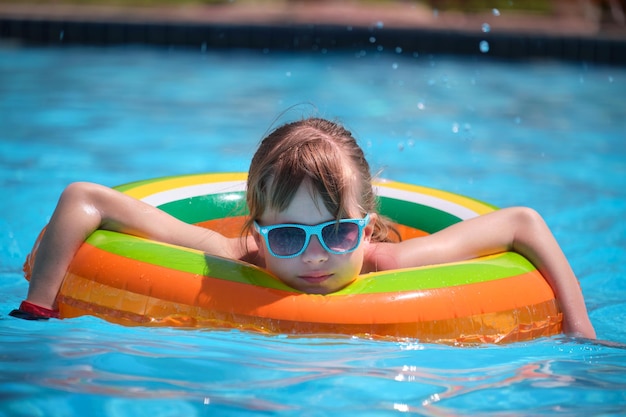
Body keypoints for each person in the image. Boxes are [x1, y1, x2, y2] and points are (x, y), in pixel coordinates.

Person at [10, 117, 596, 339]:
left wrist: (580, 331)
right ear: (258, 232)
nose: (314, 256)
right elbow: (82, 199)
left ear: (366, 229)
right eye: (288, 236)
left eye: (337, 233)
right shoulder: (234, 253)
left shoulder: (389, 262)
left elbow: (524, 223)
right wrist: (39, 311)